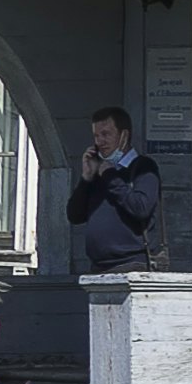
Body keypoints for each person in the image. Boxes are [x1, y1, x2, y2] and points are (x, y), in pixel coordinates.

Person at [69, 106, 161, 275]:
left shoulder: (143, 167)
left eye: (106, 134)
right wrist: (86, 178)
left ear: (124, 136)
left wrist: (110, 175)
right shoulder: (99, 173)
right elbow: (74, 215)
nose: (99, 142)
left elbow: (141, 208)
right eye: (96, 136)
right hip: (99, 267)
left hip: (131, 265)